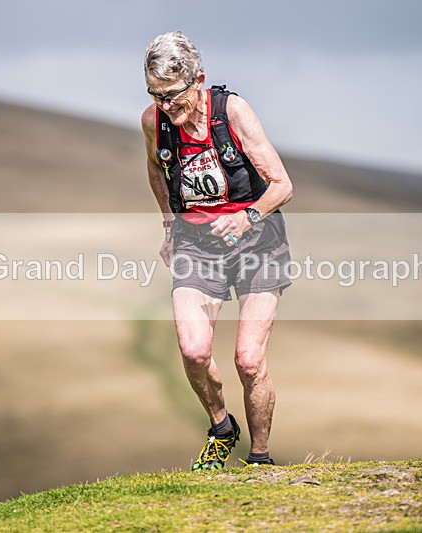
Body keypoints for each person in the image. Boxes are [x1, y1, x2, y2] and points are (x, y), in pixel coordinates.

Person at [141, 31, 294, 470]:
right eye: (155, 95)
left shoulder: (234, 113)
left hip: (257, 243)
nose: (166, 106)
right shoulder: (154, 121)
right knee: (193, 349)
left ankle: (260, 458)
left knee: (248, 359)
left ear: (198, 80)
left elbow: (283, 185)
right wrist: (169, 223)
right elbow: (154, 167)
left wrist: (246, 216)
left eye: (172, 95)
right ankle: (221, 427)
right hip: (196, 243)